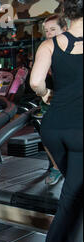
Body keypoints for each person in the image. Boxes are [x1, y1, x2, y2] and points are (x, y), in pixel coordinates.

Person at [30, 0, 82, 242]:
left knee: (75, 195)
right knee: (72, 199)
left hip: (52, 128)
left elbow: (36, 82)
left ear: (67, 16)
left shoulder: (50, 44)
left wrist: (49, 94)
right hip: (80, 132)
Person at [35, 14, 68, 186]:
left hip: (71, 103)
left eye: (53, 29)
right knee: (47, 136)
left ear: (65, 30)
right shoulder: (45, 50)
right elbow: (36, 82)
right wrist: (45, 93)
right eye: (46, 31)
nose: (49, 34)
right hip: (51, 102)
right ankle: (57, 167)